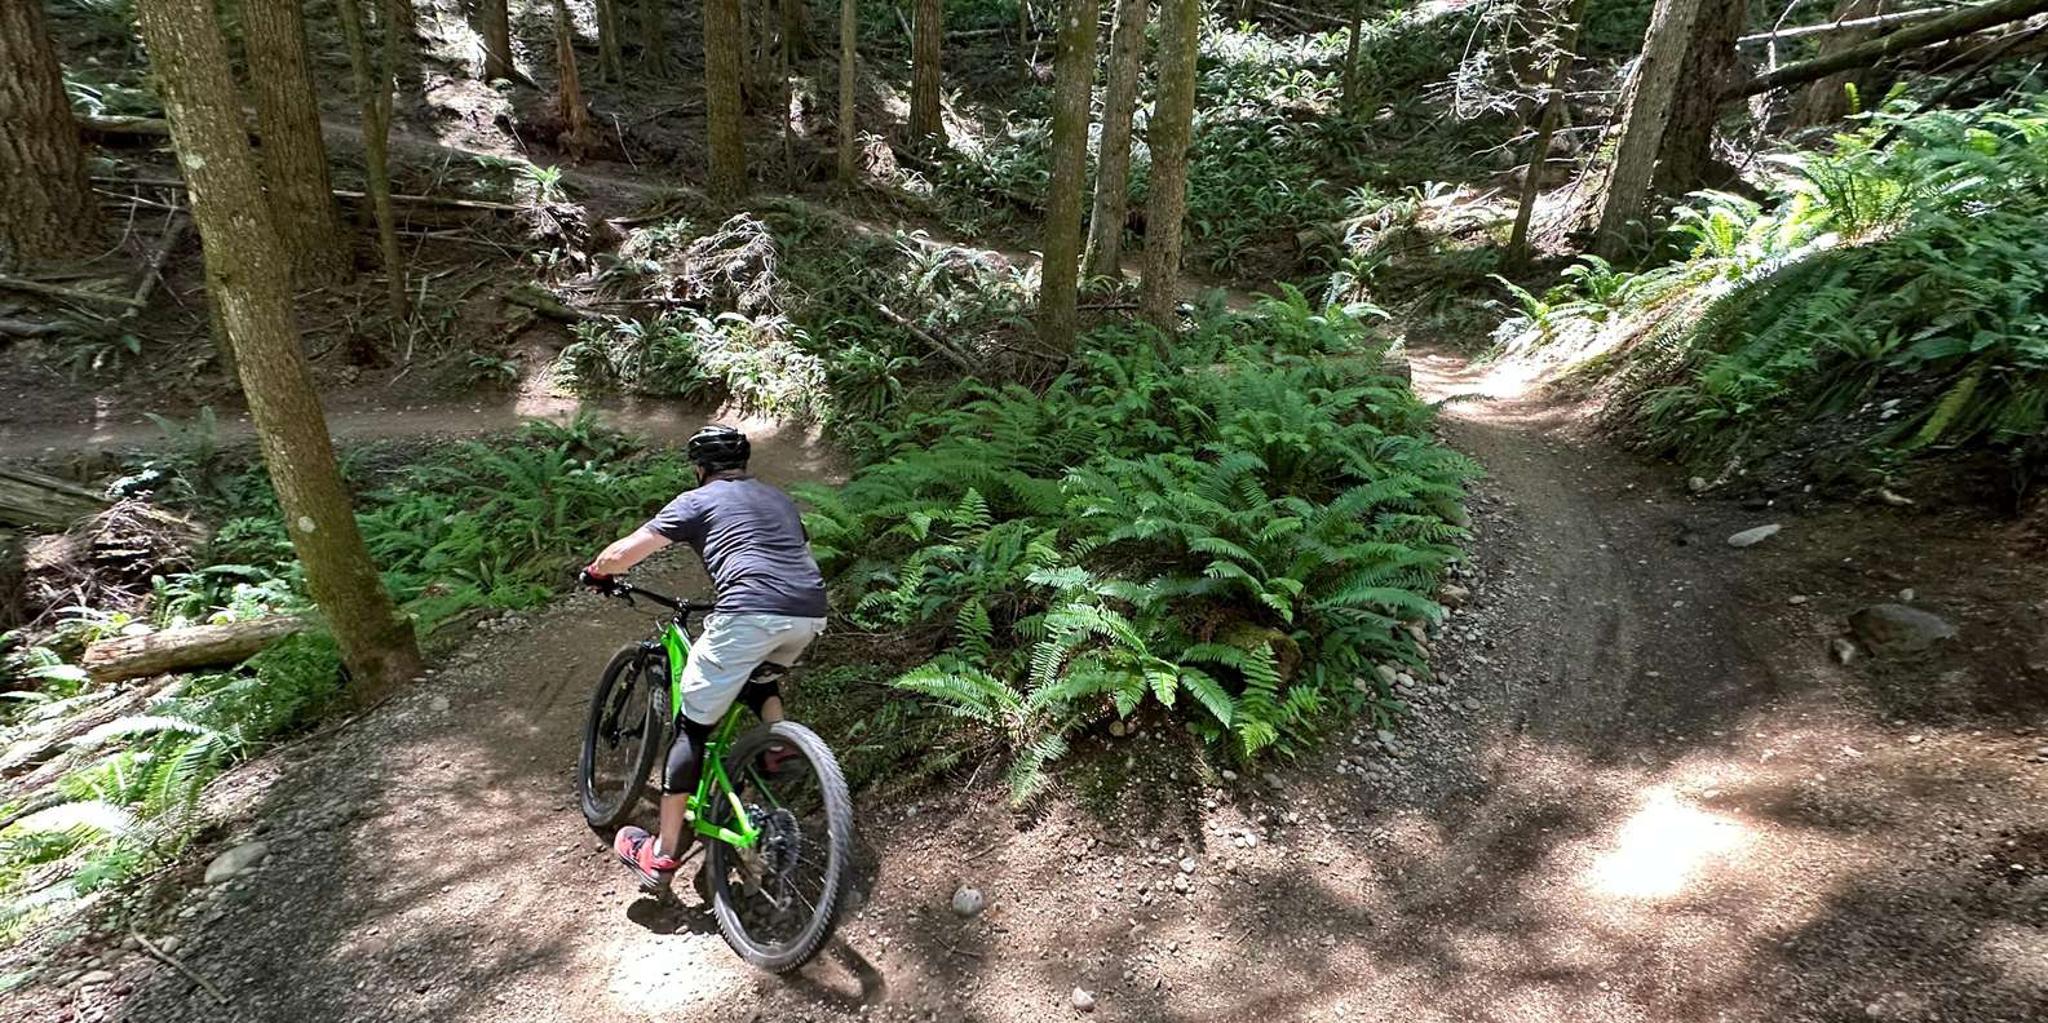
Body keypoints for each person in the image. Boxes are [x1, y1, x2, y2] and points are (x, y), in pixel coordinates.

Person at [579, 424, 829, 893]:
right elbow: (798, 556)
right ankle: (776, 751)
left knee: (691, 727)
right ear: (743, 464)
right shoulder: (777, 498)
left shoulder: (696, 501)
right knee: (757, 673)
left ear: (699, 468)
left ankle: (663, 854)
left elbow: (624, 553)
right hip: (808, 614)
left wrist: (597, 572)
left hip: (747, 612)